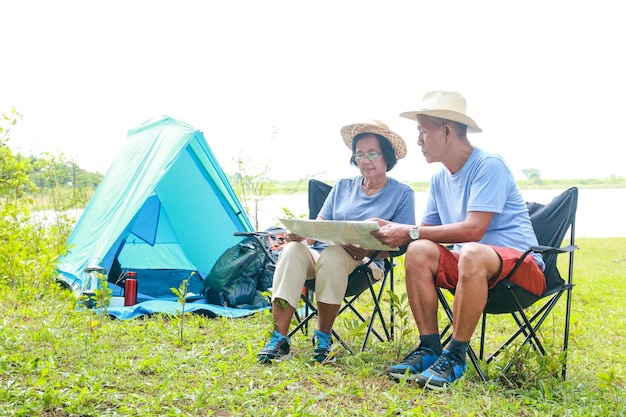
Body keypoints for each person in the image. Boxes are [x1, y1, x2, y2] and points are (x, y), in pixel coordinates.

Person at [371, 90, 546, 389]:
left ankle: (456, 355)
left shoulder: (488, 165)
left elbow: (473, 231)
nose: (418, 142)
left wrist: (410, 230)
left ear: (447, 132)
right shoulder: (440, 178)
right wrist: (387, 234)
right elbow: (423, 234)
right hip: (471, 268)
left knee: (473, 251)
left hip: (520, 270)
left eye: (423, 132)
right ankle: (429, 349)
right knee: (418, 251)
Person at [258, 120, 416, 364]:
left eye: (372, 153)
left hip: (367, 262)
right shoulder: (342, 186)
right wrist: (301, 235)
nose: (365, 160)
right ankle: (279, 339)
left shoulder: (403, 194)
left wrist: (368, 248)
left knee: (333, 254)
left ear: (387, 156)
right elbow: (319, 227)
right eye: (360, 155)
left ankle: (323, 337)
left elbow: (402, 244)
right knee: (292, 250)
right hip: (321, 254)